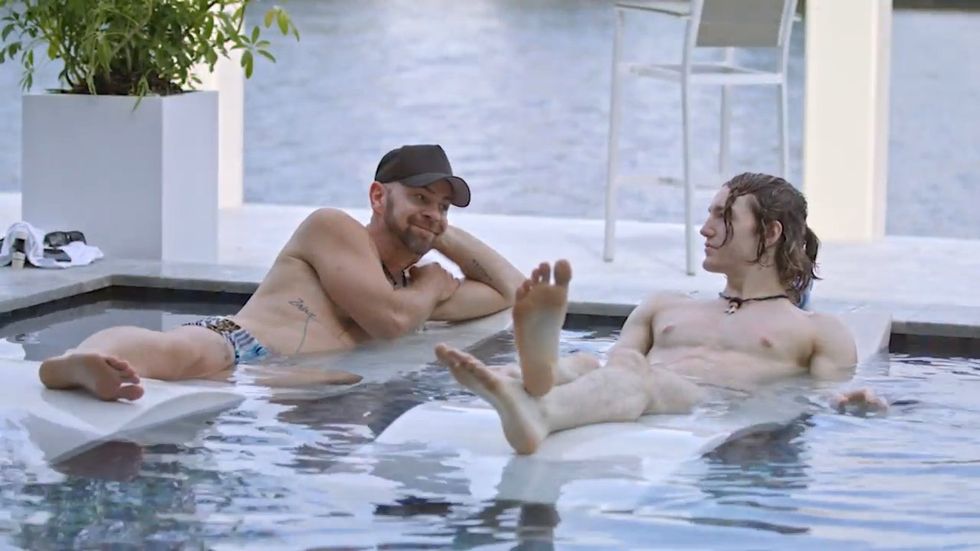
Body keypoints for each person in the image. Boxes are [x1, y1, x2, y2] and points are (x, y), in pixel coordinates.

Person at [435, 172, 886, 455]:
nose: (704, 228)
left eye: (722, 215)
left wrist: (855, 407)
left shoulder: (818, 330)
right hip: (633, 386)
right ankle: (532, 376)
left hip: (713, 403)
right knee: (591, 363)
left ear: (768, 232)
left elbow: (817, 402)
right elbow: (612, 366)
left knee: (635, 372)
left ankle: (541, 407)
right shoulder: (663, 306)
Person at [39, 144, 525, 401]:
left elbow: (513, 291)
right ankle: (85, 359)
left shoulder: (409, 287)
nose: (434, 213)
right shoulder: (333, 228)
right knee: (179, 349)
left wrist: (442, 234)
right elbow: (390, 322)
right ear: (379, 197)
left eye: (443, 206)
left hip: (286, 388)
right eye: (420, 198)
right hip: (238, 346)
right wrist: (435, 283)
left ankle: (93, 364)